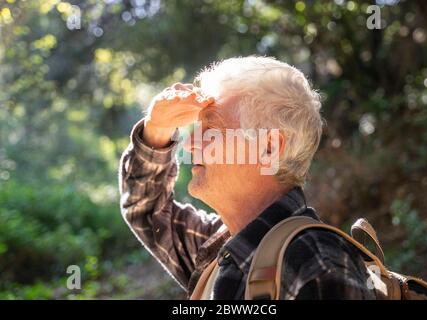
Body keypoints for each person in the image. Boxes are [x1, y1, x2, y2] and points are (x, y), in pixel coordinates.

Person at [118, 56, 376, 299]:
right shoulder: (220, 244)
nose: (190, 144)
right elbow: (146, 209)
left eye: (211, 129)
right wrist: (156, 131)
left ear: (269, 148)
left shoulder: (315, 265)